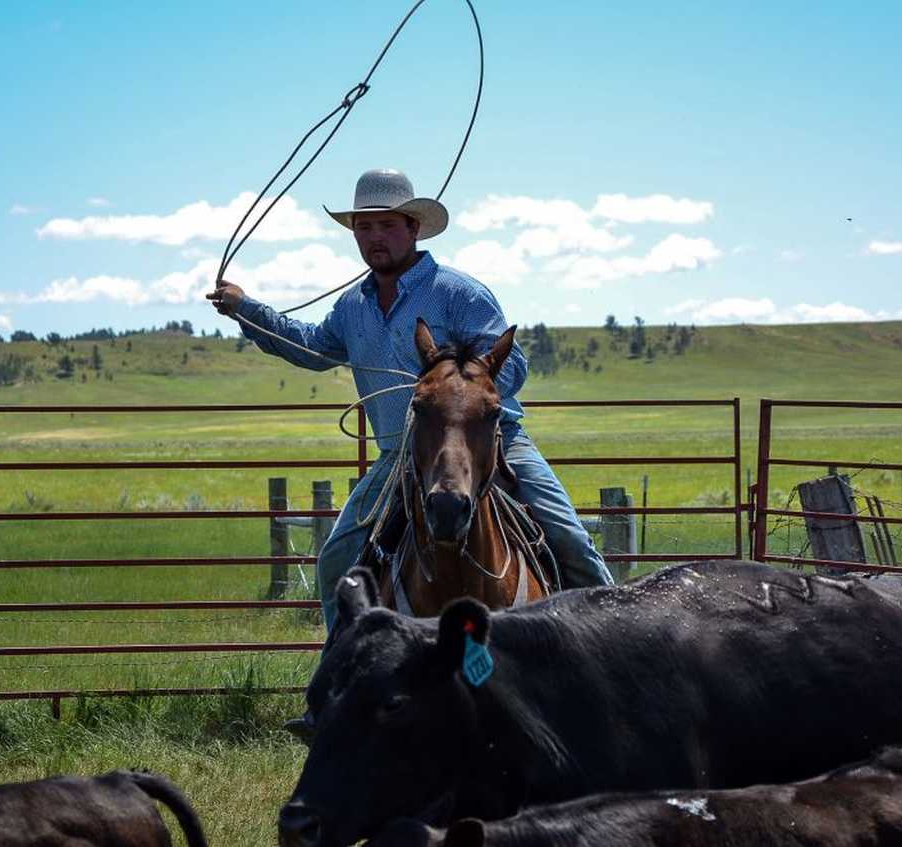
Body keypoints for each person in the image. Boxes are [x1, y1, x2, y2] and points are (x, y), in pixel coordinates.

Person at [208, 169, 613, 631]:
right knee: (337, 557)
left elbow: (512, 365)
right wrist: (246, 308)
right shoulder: (352, 307)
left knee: (570, 540)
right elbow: (311, 347)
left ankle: (613, 653)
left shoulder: (458, 293)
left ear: (413, 228)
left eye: (386, 225)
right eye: (364, 227)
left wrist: (458, 383)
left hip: (487, 444)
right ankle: (345, 669)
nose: (374, 237)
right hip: (402, 455)